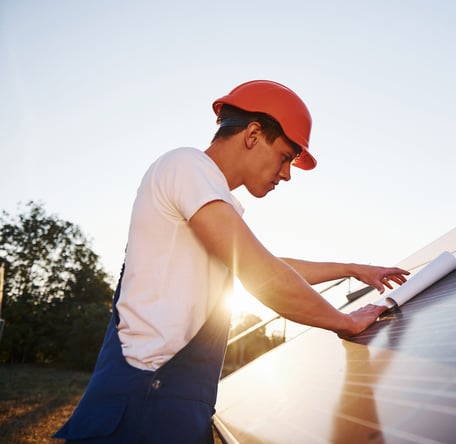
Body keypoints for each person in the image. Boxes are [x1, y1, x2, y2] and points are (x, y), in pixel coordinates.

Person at [53, 80, 409, 443]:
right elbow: (263, 275)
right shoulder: (186, 165)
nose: (286, 174)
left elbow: (270, 266)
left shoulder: (210, 201)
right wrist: (345, 322)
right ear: (253, 134)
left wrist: (351, 269)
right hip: (140, 409)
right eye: (286, 157)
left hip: (170, 407)